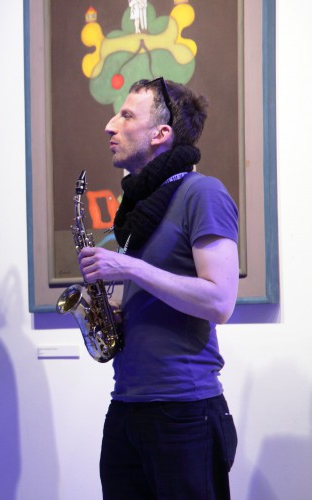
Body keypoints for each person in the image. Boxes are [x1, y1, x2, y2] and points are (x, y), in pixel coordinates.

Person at [77, 78, 239, 499]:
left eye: (126, 115)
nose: (110, 126)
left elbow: (220, 301)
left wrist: (128, 267)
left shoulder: (203, 192)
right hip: (127, 404)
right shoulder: (141, 207)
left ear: (160, 134)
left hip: (184, 410)